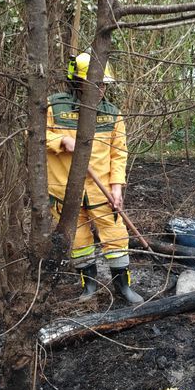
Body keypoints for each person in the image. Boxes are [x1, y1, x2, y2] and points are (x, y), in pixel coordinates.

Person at [46, 52, 143, 304]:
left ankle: (123, 287)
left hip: (103, 191)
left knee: (116, 236)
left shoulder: (112, 114)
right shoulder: (53, 107)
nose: (100, 90)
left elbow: (119, 154)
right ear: (77, 82)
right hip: (64, 191)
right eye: (95, 84)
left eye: (103, 85)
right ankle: (88, 287)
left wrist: (117, 187)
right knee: (78, 239)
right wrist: (61, 140)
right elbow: (34, 137)